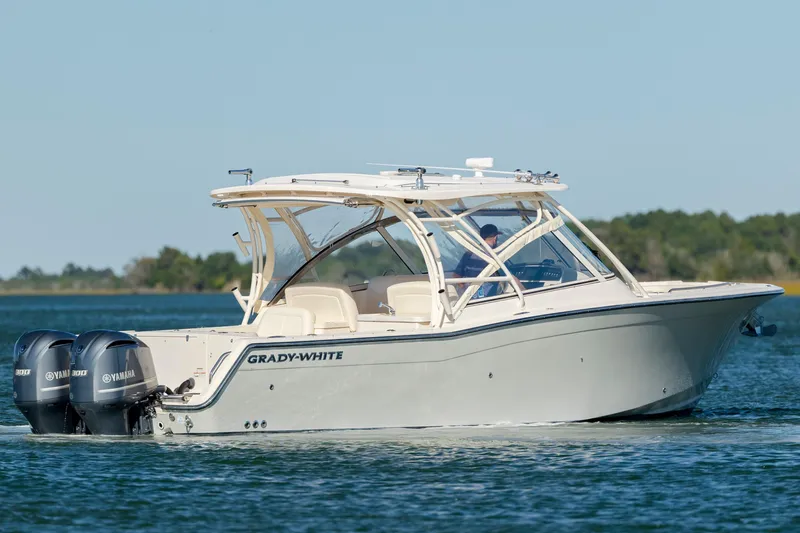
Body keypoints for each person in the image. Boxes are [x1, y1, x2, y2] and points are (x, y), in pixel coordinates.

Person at [453, 224, 506, 299]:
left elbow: (456, 275)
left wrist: (466, 292)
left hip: (467, 298)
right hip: (487, 296)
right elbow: (505, 274)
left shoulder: (469, 253)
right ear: (495, 238)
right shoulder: (496, 255)